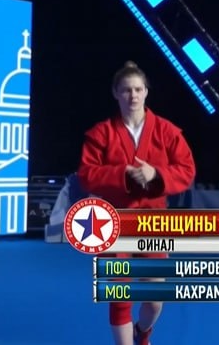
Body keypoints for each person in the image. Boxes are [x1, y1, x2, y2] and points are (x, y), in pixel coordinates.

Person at [78, 61, 196, 345]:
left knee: (155, 299)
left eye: (138, 89)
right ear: (115, 93)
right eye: (126, 90)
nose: (133, 95)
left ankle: (142, 332)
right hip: (113, 222)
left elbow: (187, 170)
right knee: (120, 296)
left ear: (146, 92)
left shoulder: (167, 131)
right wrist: (123, 175)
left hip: (153, 222)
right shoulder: (100, 133)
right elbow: (87, 174)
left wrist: (157, 174)